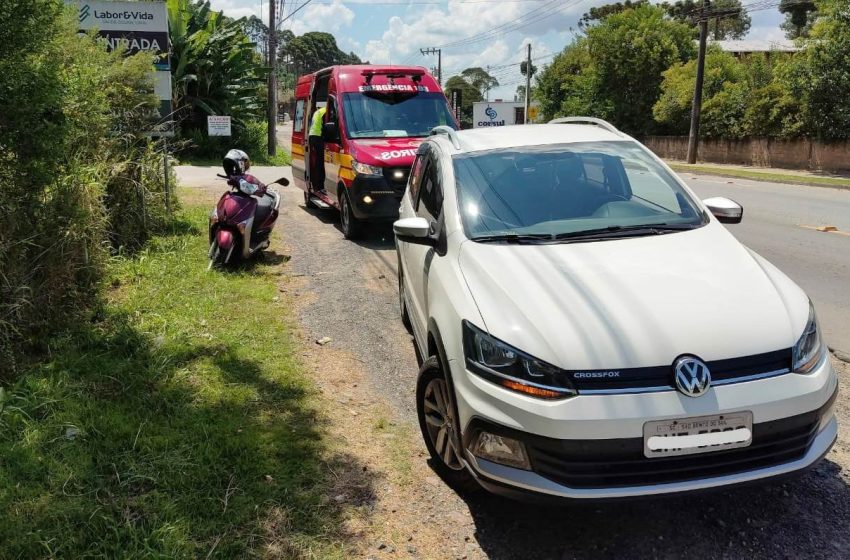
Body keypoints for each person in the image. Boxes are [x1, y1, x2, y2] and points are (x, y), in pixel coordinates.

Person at [308, 102, 327, 193]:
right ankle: (321, 186)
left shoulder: (318, 111)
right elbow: (326, 126)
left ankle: (316, 185)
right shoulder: (326, 111)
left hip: (312, 136)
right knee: (321, 162)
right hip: (318, 136)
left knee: (316, 162)